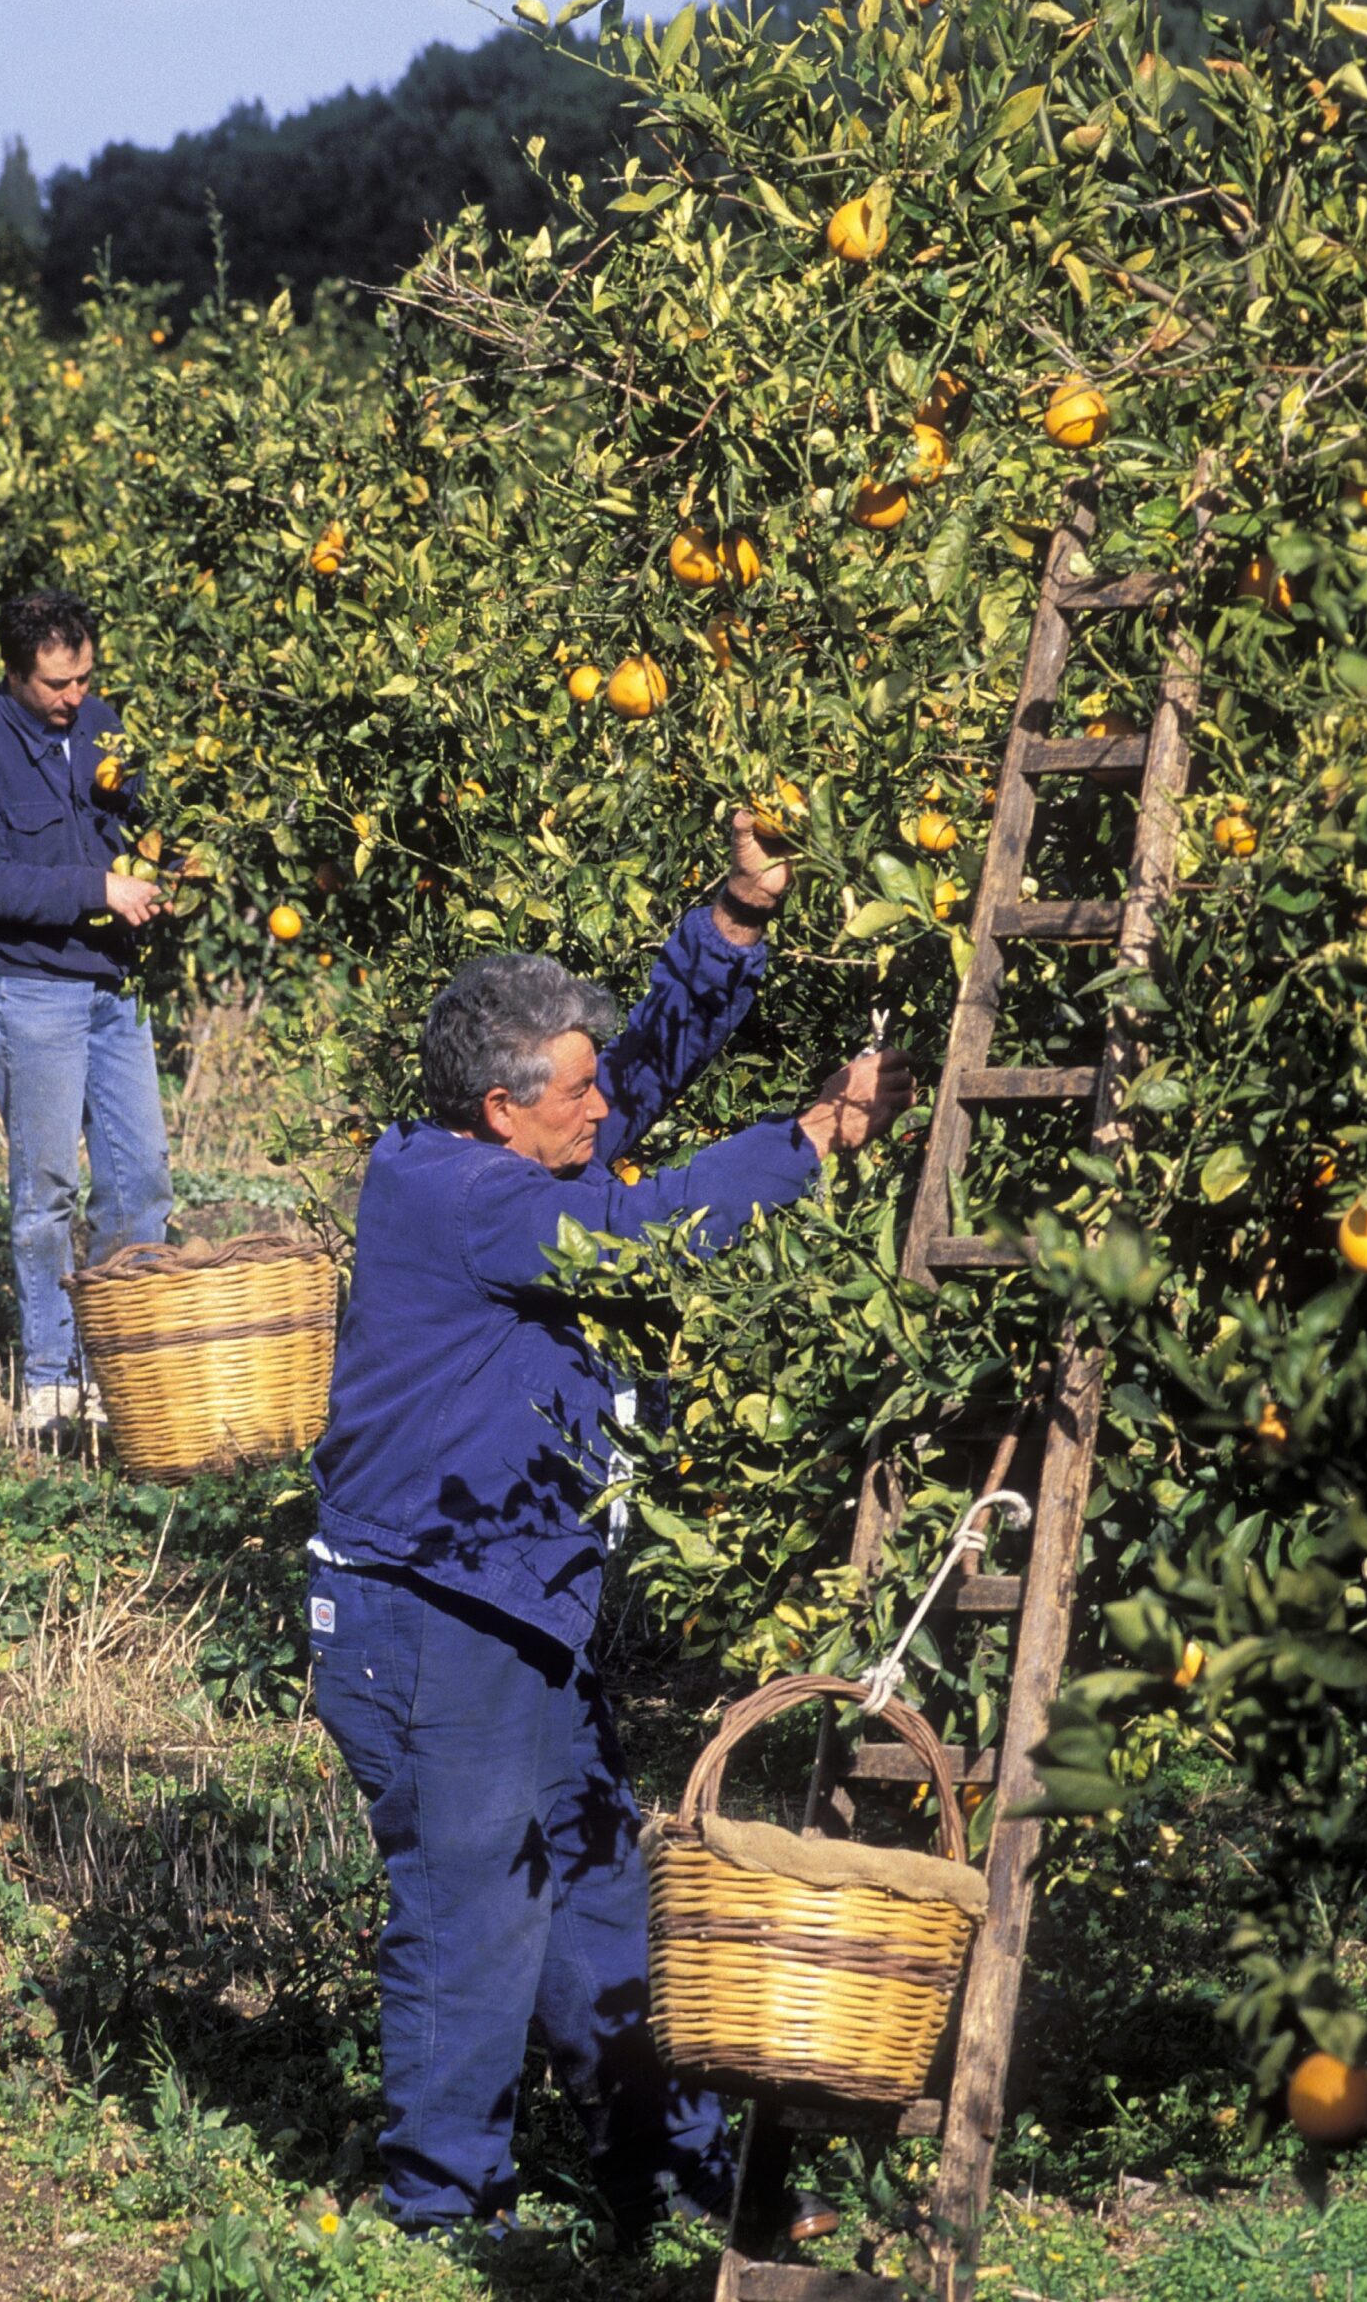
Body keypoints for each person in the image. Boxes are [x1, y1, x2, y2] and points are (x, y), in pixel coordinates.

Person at [307, 811, 915, 2242]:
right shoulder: (460, 1198)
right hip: (432, 1612)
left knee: (591, 1889)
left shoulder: (508, 1147)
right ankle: (440, 2216)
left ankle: (665, 2171)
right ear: (501, 1108)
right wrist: (811, 1137)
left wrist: (730, 930)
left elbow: (629, 1084)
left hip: (513, 1602)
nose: (603, 1113)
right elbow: (639, 1230)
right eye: (572, 1098)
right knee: (477, 1912)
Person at [0, 588, 174, 1431]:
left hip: (114, 986)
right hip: (28, 986)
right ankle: (51, 1378)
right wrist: (96, 888)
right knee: (47, 1195)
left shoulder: (103, 724)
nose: (73, 698)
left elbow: (145, 820)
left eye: (83, 678)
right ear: (15, 672)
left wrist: (173, 867)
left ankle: (121, 1362)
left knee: (140, 1185)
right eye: (55, 684)